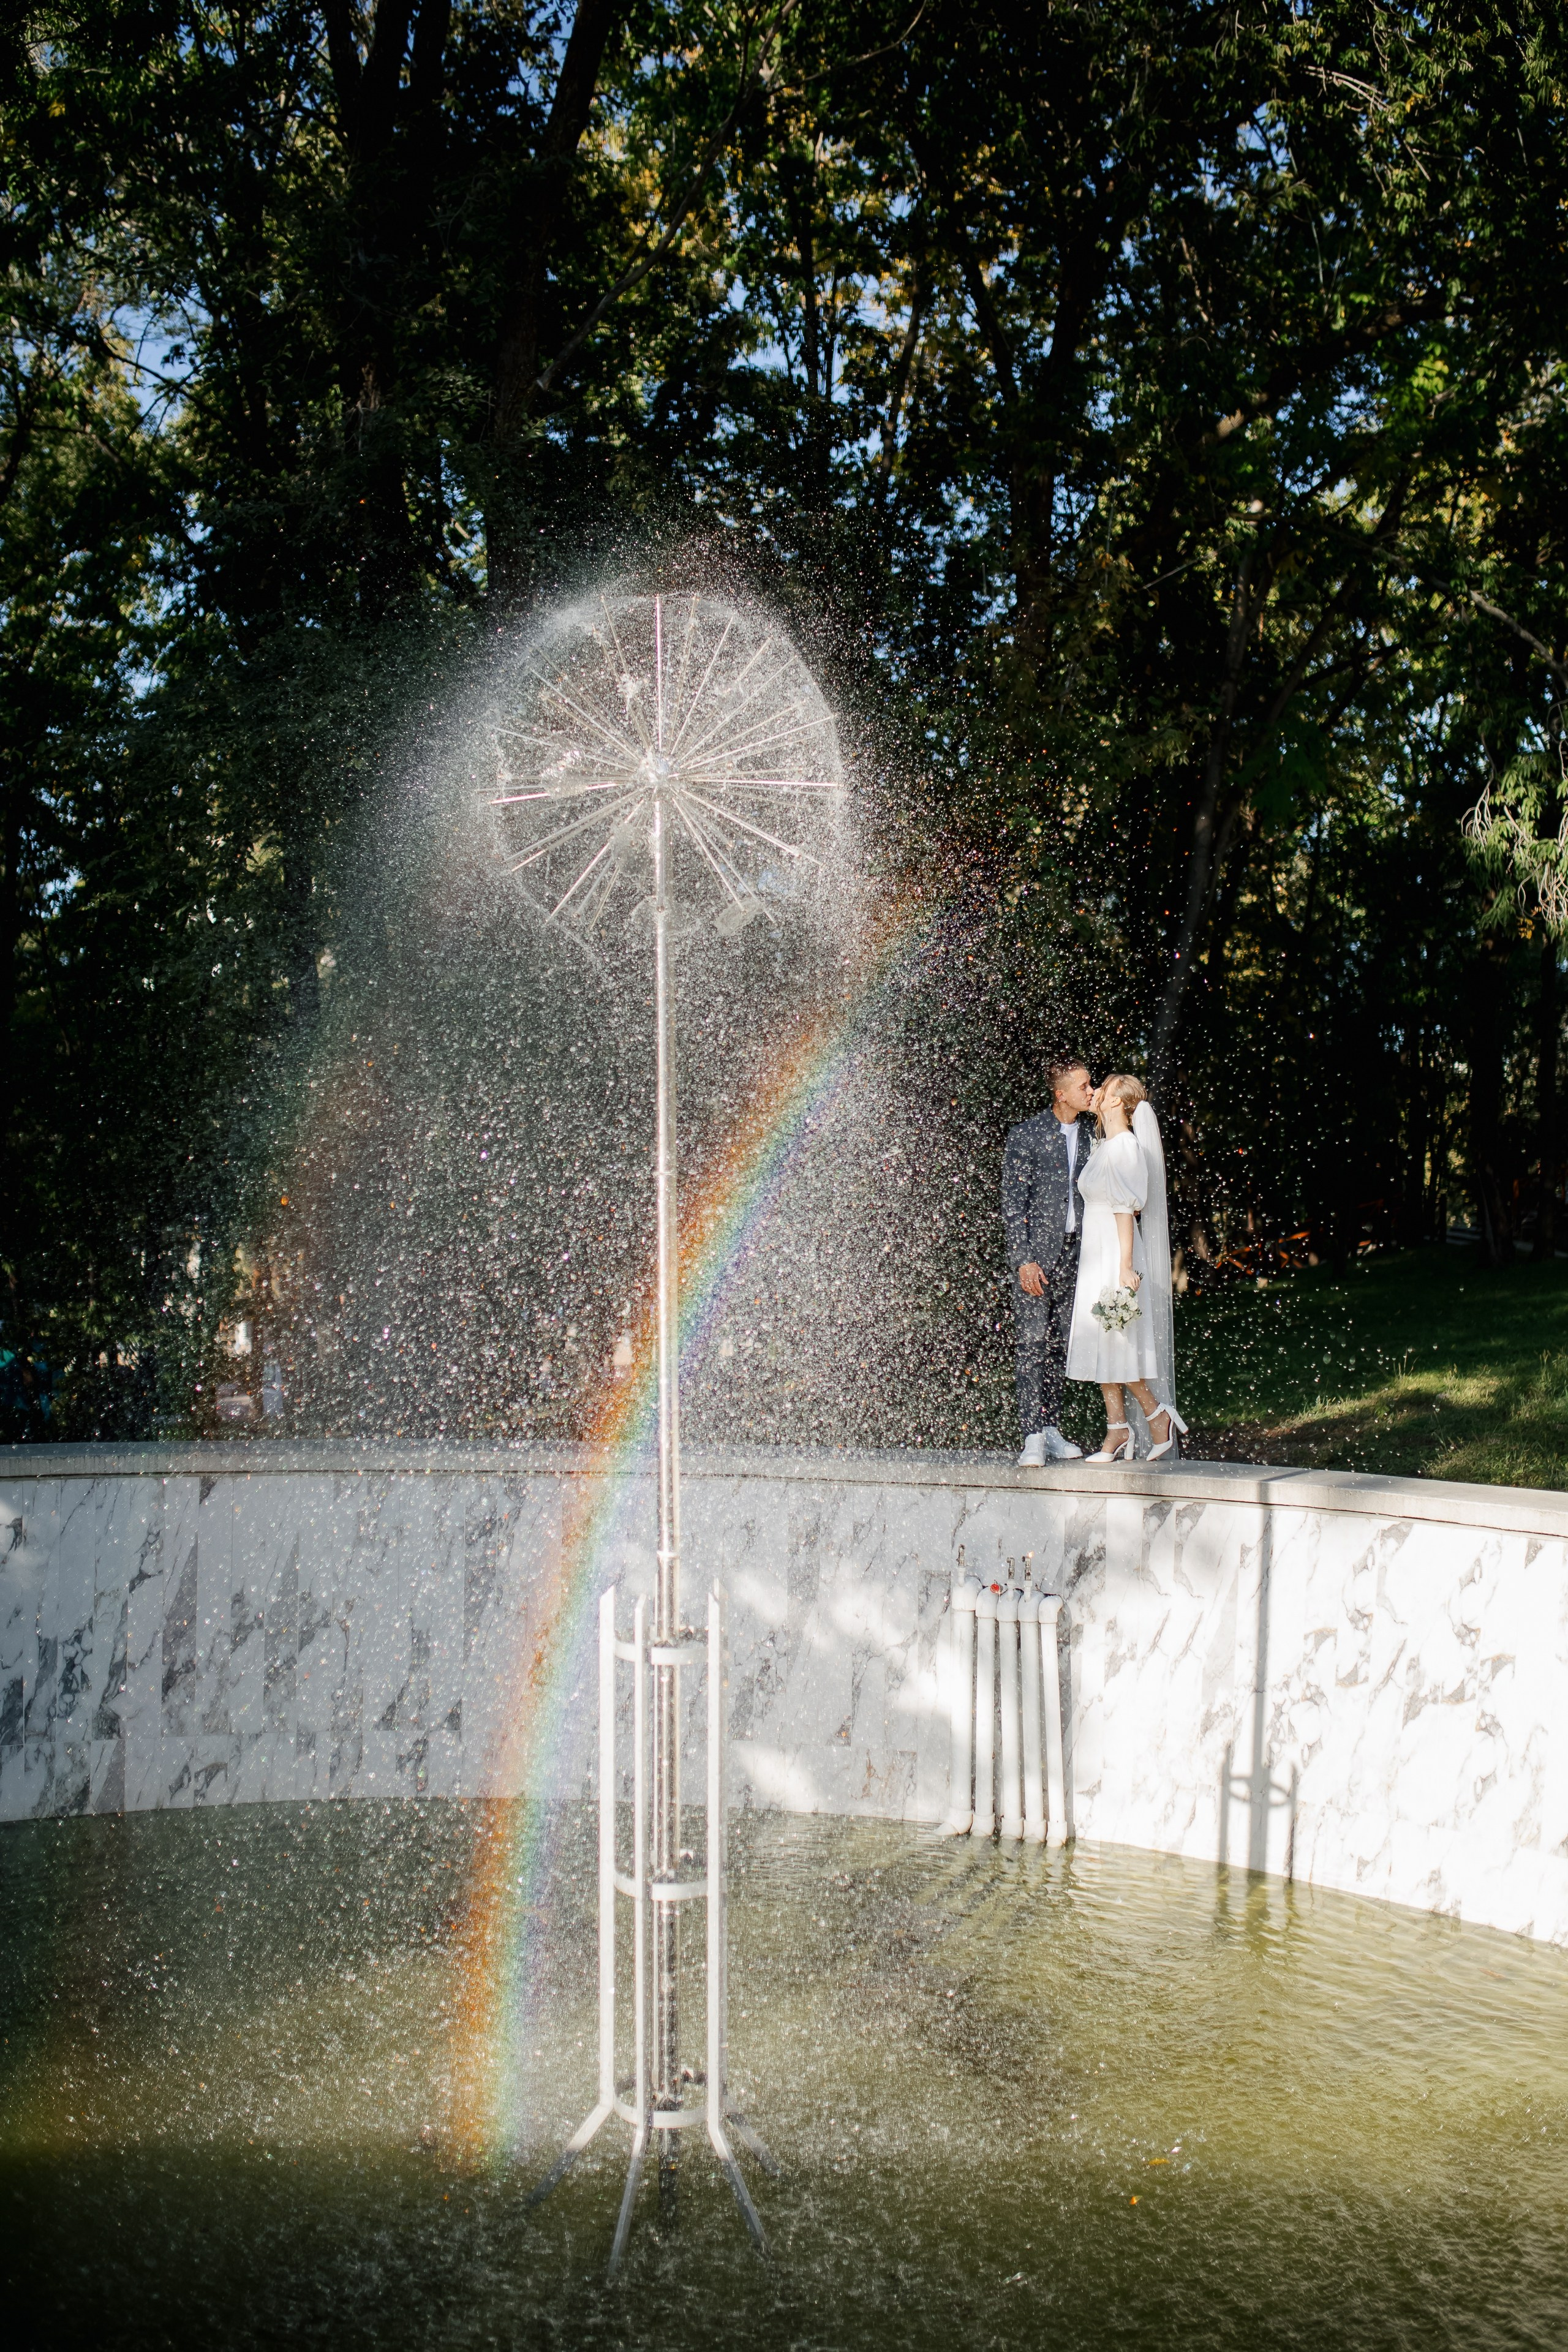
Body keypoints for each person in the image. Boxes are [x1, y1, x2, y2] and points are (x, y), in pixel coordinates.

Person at [1065, 1072, 1188, 1463]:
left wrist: (1125, 1265)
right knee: (1105, 1344)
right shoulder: (1105, 1146)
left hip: (1115, 1252)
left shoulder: (1126, 1148)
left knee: (1117, 1341)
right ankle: (1118, 1430)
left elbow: (1124, 1208)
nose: (1096, 1092)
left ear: (1118, 1101)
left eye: (1103, 1088)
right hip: (1096, 1251)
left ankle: (1155, 1414)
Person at [1001, 1055, 1095, 1466]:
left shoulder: (1096, 1135)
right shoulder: (1027, 1135)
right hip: (1038, 1259)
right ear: (1061, 1094)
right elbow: (1012, 1202)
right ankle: (1031, 1436)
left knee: (1060, 1346)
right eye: (1084, 1087)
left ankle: (1052, 1428)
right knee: (1032, 1345)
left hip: (1081, 1254)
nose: (1090, 1093)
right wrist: (1023, 1260)